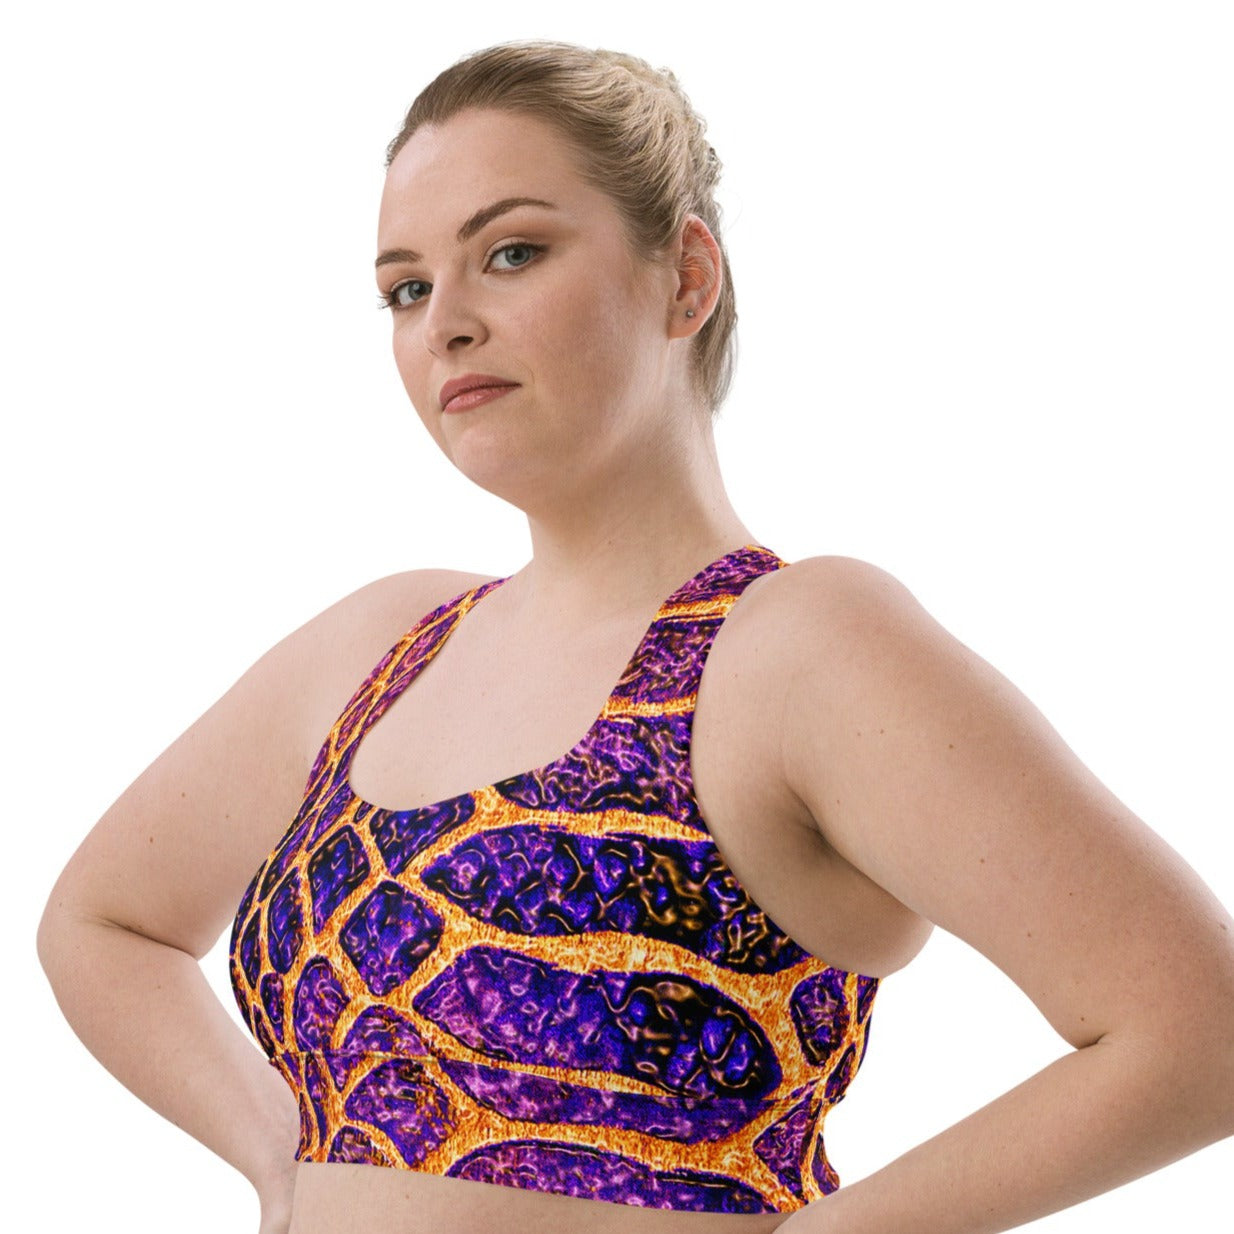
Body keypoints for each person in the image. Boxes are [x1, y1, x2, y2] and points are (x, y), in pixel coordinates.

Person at [36, 38, 1234, 1234]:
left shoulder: (796, 648)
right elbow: (101, 925)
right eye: (405, 288)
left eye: (511, 253)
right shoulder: (385, 645)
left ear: (687, 279)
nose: (445, 323)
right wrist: (281, 1163)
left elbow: (1199, 1029)